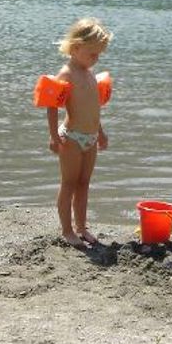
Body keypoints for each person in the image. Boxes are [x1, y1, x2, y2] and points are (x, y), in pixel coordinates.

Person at [44, 17, 114, 248]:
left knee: (84, 183)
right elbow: (52, 106)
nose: (96, 59)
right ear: (76, 48)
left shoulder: (90, 73)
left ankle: (82, 227)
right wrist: (54, 136)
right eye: (93, 54)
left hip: (91, 138)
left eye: (99, 55)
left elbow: (94, 108)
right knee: (69, 183)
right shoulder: (67, 74)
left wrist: (100, 132)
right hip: (71, 138)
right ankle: (67, 230)